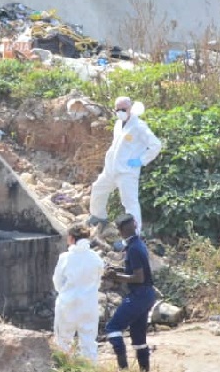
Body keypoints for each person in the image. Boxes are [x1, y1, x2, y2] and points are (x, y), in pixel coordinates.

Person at [89, 97, 161, 234]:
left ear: (130, 108)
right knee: (98, 188)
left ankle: (134, 234)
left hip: (127, 172)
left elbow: (156, 145)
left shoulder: (139, 126)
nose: (120, 112)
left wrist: (141, 160)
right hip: (111, 169)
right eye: (117, 110)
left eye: (123, 109)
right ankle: (99, 217)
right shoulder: (118, 124)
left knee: (130, 203)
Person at [104, 213, 156, 372]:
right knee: (138, 337)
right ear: (135, 225)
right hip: (147, 295)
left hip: (139, 294)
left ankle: (123, 367)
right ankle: (144, 369)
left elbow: (138, 277)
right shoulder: (138, 244)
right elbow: (136, 270)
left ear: (120, 231)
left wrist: (116, 276)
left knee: (113, 328)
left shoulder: (133, 249)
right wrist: (118, 270)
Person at [52, 224, 104, 363]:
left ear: (71, 238)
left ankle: (64, 368)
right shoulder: (96, 259)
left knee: (63, 342)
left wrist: (65, 292)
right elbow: (98, 282)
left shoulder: (65, 258)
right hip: (89, 305)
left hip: (67, 305)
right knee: (89, 344)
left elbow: (57, 282)